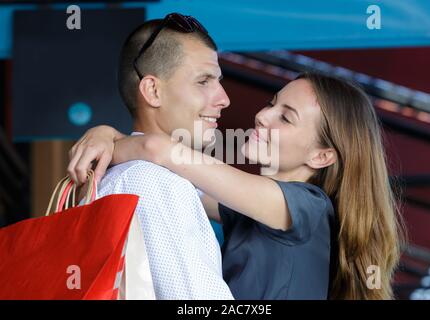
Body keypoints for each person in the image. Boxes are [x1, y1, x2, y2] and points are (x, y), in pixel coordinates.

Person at [69, 71, 405, 299]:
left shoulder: (308, 206)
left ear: (321, 157)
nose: (263, 115)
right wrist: (107, 136)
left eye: (285, 117)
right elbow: (174, 183)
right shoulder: (252, 212)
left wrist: (111, 138)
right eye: (273, 103)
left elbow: (159, 151)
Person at [67, 13, 235, 299]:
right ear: (153, 91)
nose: (223, 98)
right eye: (203, 81)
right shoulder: (155, 183)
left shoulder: (117, 176)